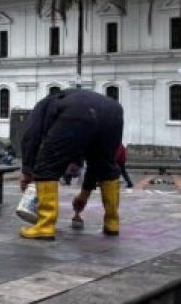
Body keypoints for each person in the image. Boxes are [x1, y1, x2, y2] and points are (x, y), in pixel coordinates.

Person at [19, 88, 124, 240]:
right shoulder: (75, 99)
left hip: (76, 112)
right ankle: (112, 222)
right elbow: (95, 164)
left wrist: (27, 172)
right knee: (106, 164)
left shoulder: (44, 105)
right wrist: (83, 196)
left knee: (46, 167)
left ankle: (45, 225)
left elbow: (31, 136)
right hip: (113, 112)